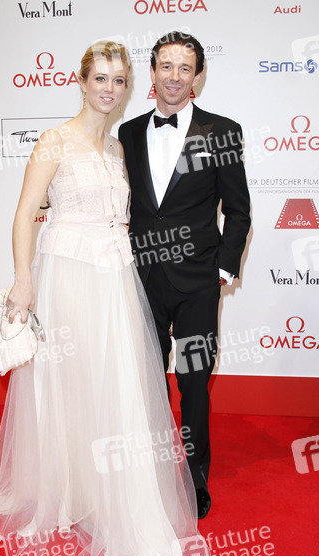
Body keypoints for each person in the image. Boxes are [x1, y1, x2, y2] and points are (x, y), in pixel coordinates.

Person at [0, 40, 213, 556]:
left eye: (118, 80)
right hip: (65, 275)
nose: (109, 89)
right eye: (100, 78)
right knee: (69, 383)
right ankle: (67, 488)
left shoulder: (120, 149)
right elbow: (25, 214)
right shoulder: (53, 141)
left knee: (115, 383)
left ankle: (109, 491)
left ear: (128, 88)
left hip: (115, 277)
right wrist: (23, 279)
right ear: (81, 82)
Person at [119, 32, 251, 519]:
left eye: (185, 68)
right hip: (141, 281)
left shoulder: (222, 131)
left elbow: (238, 210)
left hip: (198, 283)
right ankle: (147, 477)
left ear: (198, 75)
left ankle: (194, 480)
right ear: (152, 72)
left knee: (193, 383)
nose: (174, 77)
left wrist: (223, 268)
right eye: (166, 66)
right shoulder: (129, 132)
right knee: (146, 382)